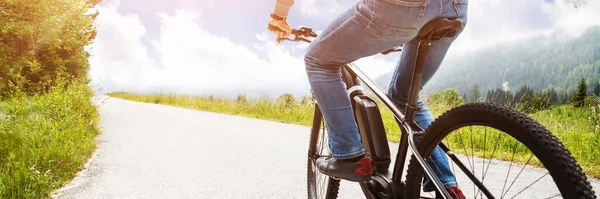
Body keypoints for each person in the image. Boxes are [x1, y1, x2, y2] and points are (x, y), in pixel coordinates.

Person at [268, 0, 468, 198]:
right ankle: (447, 186)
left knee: (317, 60)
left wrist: (279, 16)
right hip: (455, 8)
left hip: (401, 8)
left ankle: (349, 156)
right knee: (404, 96)